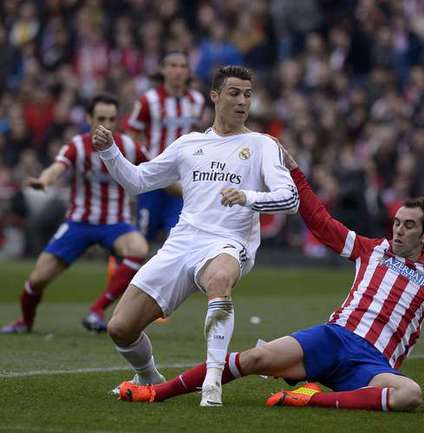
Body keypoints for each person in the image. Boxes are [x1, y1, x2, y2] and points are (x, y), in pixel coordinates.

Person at [113, 140, 424, 413]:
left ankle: (311, 397)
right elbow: (320, 222)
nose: (398, 230)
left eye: (409, 226)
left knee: (410, 395)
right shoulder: (370, 248)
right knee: (254, 359)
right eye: (397, 222)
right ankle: (156, 391)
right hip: (332, 338)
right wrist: (296, 173)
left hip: (373, 364)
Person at [92, 65, 299, 407]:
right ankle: (148, 376)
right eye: (234, 93)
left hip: (228, 243)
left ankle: (212, 383)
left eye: (248, 95)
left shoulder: (262, 144)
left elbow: (290, 198)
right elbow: (138, 181)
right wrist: (110, 151)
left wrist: (247, 197)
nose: (242, 101)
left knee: (219, 278)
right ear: (215, 97)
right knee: (120, 328)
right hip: (183, 241)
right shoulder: (189, 144)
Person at [1, 93, 149, 334]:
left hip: (116, 223)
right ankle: (25, 322)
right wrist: (43, 180)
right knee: (37, 279)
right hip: (79, 223)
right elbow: (57, 168)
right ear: (89, 118)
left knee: (139, 249)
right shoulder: (77, 146)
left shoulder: (130, 146)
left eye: (112, 119)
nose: (107, 125)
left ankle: (96, 310)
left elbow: (158, 171)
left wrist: (188, 189)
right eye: (101, 118)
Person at [127, 50, 205, 243]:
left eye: (183, 66)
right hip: (152, 179)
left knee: (177, 237)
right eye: (173, 65)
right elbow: (132, 136)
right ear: (162, 70)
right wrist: (140, 166)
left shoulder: (197, 101)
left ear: (188, 72)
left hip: (181, 181)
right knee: (142, 237)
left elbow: (198, 137)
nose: (178, 71)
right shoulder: (148, 100)